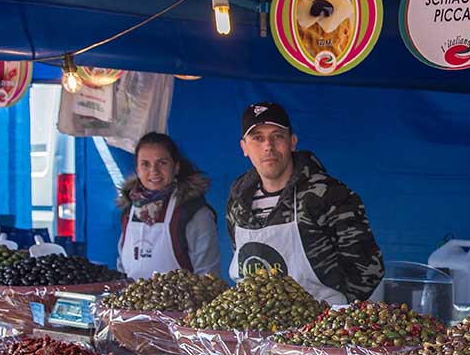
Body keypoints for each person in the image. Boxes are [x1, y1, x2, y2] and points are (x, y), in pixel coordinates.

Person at [226, 102, 383, 304]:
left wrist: (334, 314)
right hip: (258, 328)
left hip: (320, 327)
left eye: (277, 136)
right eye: (258, 138)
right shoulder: (238, 200)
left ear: (292, 141)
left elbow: (368, 269)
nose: (268, 146)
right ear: (244, 147)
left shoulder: (328, 195)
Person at [117, 132, 220, 279]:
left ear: (176, 167)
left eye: (162, 163)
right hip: (131, 301)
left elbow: (209, 277)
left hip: (183, 302)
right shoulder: (129, 211)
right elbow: (121, 268)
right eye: (145, 164)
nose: (154, 171)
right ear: (137, 170)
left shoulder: (194, 214)